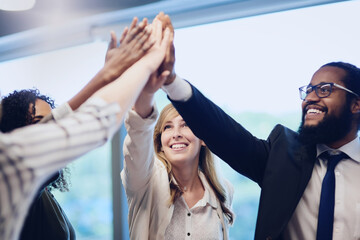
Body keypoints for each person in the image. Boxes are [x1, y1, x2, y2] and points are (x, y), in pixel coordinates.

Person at [157, 12, 360, 240]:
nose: (311, 97)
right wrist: (172, 82)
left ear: (356, 104)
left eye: (324, 89)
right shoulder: (284, 154)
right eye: (309, 90)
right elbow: (224, 134)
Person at [0, 16, 171, 240]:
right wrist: (142, 66)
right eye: (38, 125)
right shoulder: (13, 174)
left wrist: (109, 75)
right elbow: (92, 120)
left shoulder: (41, 194)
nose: (51, 132)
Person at [122, 100, 234, 239]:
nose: (176, 134)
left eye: (186, 124)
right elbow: (136, 145)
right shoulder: (145, 183)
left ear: (203, 139)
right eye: (167, 127)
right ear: (160, 142)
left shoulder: (223, 191)